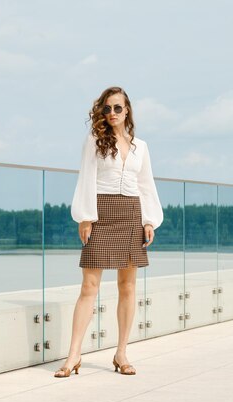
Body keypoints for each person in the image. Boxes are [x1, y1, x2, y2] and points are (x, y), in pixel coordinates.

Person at [54, 86, 163, 377]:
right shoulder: (94, 141)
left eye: (117, 108)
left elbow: (145, 185)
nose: (112, 113)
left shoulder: (141, 146)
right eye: (107, 108)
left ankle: (122, 353)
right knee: (89, 286)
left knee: (127, 287)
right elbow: (86, 178)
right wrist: (86, 216)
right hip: (101, 213)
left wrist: (149, 220)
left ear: (127, 110)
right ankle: (74, 355)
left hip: (132, 214)